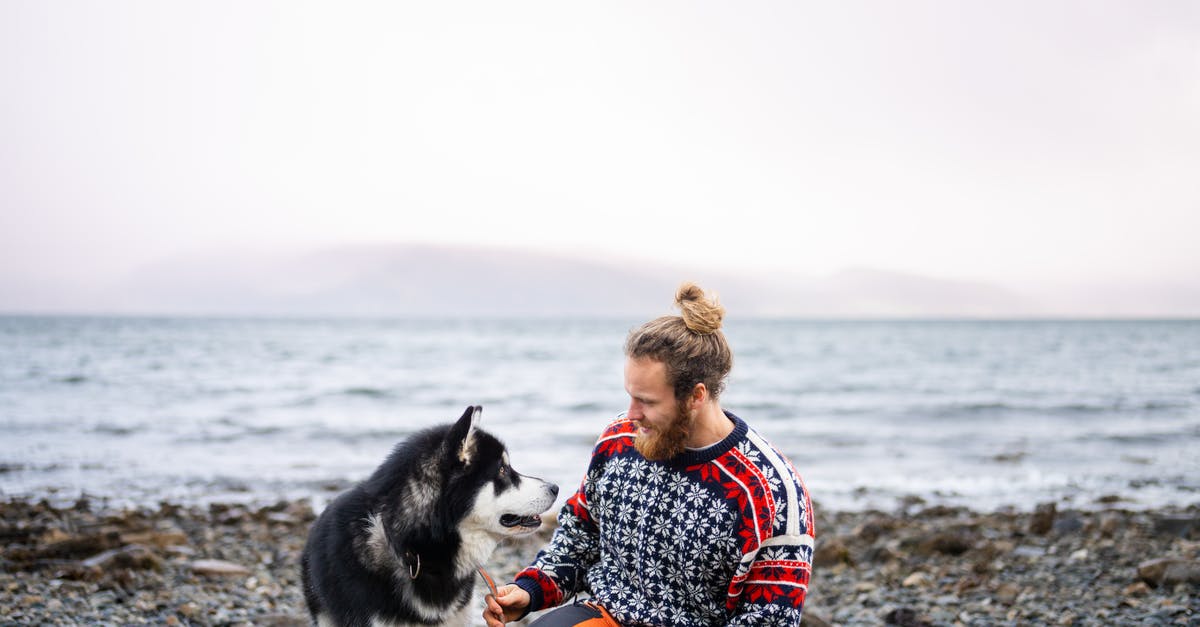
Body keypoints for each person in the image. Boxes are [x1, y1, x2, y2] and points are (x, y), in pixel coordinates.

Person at [483, 283, 815, 627]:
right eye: (630, 395)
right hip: (605, 615)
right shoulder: (619, 440)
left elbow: (768, 619)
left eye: (648, 401)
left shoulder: (770, 491)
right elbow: (580, 535)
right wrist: (531, 590)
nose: (631, 414)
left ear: (695, 396)